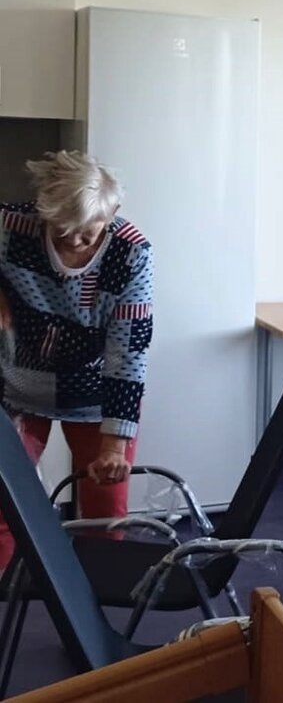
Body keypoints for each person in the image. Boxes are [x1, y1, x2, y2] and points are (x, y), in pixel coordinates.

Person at [0, 151, 154, 567]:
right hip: (19, 383)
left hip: (96, 392)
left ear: (111, 214)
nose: (74, 243)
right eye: (62, 231)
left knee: (105, 510)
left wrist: (115, 444)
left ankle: (98, 592)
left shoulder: (131, 253)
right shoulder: (12, 225)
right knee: (4, 503)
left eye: (88, 233)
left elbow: (128, 349)